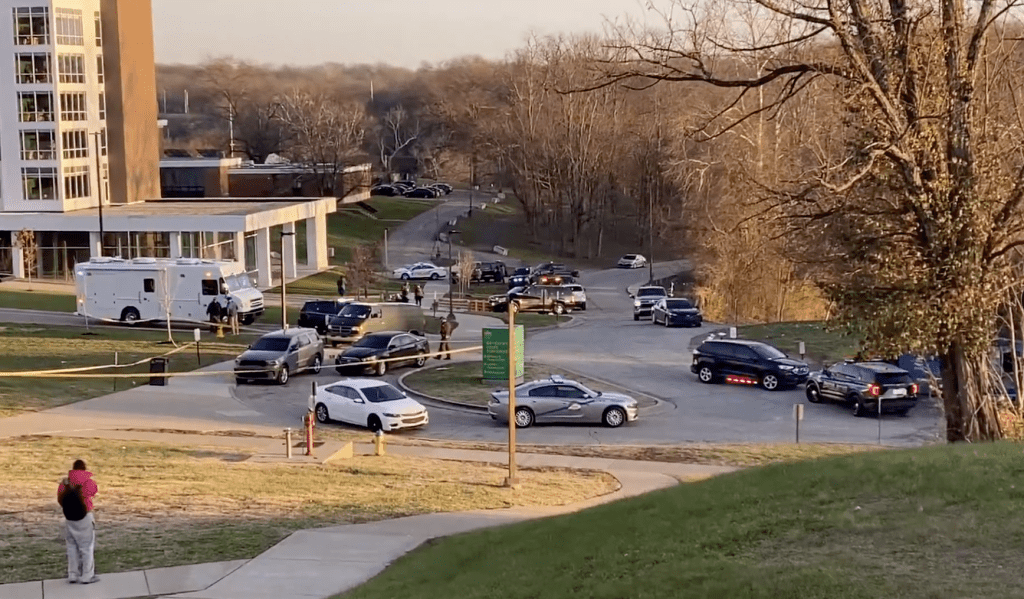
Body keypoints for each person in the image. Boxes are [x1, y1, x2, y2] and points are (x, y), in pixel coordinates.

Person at [58, 459, 99, 585]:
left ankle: (72, 574)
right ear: (84, 469)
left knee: (71, 546)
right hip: (85, 516)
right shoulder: (88, 482)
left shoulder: (65, 482)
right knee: (86, 547)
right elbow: (93, 492)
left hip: (69, 518)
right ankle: (87, 575)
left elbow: (60, 499)